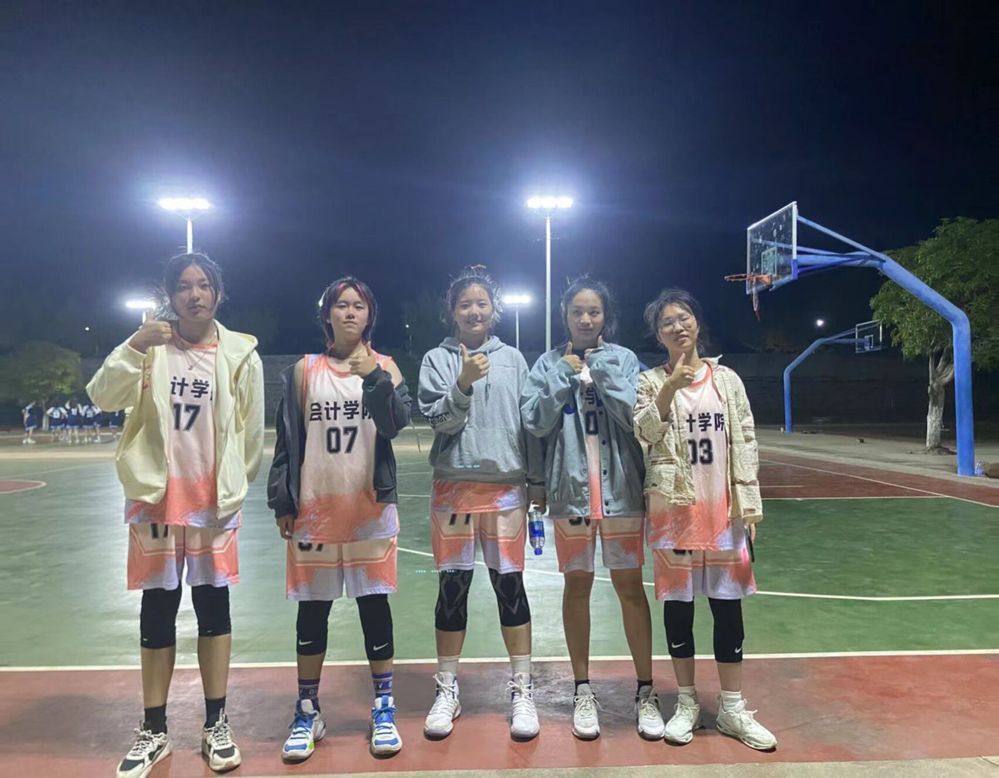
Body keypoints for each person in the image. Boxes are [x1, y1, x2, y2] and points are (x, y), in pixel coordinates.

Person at [87, 252, 265, 778]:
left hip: (212, 504)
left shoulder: (240, 355)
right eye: (184, 286)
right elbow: (102, 396)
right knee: (157, 611)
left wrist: (232, 484)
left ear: (218, 293)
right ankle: (155, 729)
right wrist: (132, 346)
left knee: (214, 611)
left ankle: (216, 723)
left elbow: (250, 434)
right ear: (170, 295)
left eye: (204, 284)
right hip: (156, 500)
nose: (195, 294)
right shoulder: (150, 349)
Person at [268, 276, 411, 761]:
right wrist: (283, 501)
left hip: (369, 510)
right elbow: (287, 441)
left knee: (375, 609)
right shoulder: (303, 371)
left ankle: (384, 706)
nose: (350, 312)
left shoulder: (386, 367)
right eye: (341, 305)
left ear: (370, 316)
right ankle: (307, 709)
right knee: (313, 612)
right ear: (327, 314)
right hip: (315, 511)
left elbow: (394, 424)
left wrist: (375, 377)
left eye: (359, 306)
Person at [633, 288, 776, 751]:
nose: (678, 326)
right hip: (672, 513)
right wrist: (671, 387)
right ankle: (687, 702)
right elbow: (643, 432)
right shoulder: (650, 381)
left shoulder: (727, 379)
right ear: (658, 335)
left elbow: (746, 440)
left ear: (696, 322)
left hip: (724, 513)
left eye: (684, 317)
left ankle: (732, 707)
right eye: (667, 322)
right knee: (679, 610)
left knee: (727, 608)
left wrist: (749, 503)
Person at [521, 277, 663, 740]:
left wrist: (600, 371)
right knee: (576, 587)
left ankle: (645, 690)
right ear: (565, 316)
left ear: (606, 317)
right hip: (571, 494)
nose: (585, 319)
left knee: (630, 588)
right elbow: (534, 422)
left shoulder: (624, 360)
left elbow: (636, 417)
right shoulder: (547, 364)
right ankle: (582, 689)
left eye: (594, 312)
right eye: (577, 312)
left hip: (622, 492)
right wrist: (563, 375)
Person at [418, 266, 545, 741]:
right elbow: (440, 421)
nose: (474, 311)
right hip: (453, 488)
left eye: (481, 303)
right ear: (452, 311)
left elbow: (529, 425)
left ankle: (523, 688)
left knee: (510, 587)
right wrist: (463, 383)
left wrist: (536, 482)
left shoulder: (513, 360)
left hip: (506, 489)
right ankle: (447, 688)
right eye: (464, 304)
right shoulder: (436, 359)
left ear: (494, 310)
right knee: (452, 588)